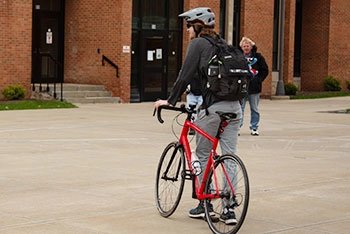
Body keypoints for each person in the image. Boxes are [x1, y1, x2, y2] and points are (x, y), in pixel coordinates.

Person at [154, 7, 240, 225]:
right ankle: (230, 209)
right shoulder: (224, 44)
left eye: (188, 26)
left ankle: (205, 205)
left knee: (202, 154)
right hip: (235, 108)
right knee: (228, 154)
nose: (187, 31)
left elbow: (185, 74)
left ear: (196, 25)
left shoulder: (198, 44)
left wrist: (170, 100)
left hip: (212, 107)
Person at [239, 37, 269, 136]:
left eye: (247, 46)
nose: (246, 48)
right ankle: (238, 127)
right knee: (240, 109)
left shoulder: (258, 58)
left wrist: (258, 80)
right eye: (244, 46)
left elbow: (265, 70)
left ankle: (254, 127)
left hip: (254, 88)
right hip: (241, 87)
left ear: (251, 47)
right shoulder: (238, 57)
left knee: (254, 108)